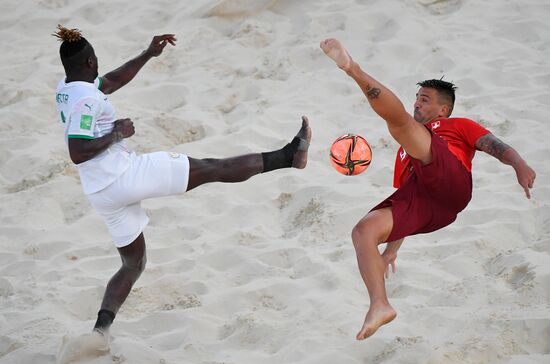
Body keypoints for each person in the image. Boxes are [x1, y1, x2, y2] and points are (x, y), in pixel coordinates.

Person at [53, 25, 312, 336]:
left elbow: (110, 82)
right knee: (209, 168)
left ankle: (99, 332)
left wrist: (148, 54)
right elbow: (77, 152)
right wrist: (118, 133)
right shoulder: (86, 101)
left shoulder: (67, 88)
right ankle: (289, 156)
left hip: (100, 192)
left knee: (133, 264)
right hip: (124, 175)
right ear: (91, 61)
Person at [320, 38, 536, 340]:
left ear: (443, 109)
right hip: (433, 208)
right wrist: (391, 249)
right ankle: (380, 305)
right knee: (363, 232)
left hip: (452, 182)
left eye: (425, 99)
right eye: (417, 97)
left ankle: (352, 68)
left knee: (399, 124)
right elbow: (408, 206)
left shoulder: (456, 125)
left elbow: (495, 146)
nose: (418, 102)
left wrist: (518, 164)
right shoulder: (404, 153)